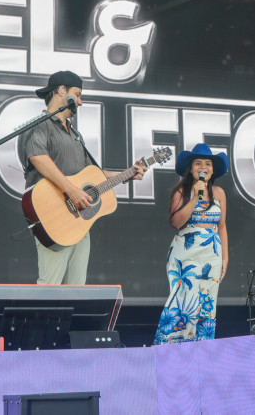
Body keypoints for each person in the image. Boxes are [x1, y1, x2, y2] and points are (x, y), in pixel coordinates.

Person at [19, 71, 146, 285]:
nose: (80, 102)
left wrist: (127, 174)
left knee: (76, 289)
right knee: (49, 286)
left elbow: (91, 173)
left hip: (78, 221)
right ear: (62, 91)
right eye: (77, 95)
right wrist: (72, 190)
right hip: (54, 217)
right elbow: (38, 158)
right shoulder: (40, 124)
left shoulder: (76, 135)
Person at [153, 143, 229, 344]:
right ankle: (172, 350)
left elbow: (222, 227)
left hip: (212, 255)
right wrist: (196, 197)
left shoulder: (219, 193)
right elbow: (176, 222)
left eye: (208, 163)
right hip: (185, 254)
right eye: (198, 163)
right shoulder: (181, 191)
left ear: (213, 169)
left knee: (206, 304)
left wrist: (225, 257)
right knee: (183, 301)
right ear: (191, 168)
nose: (203, 167)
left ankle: (202, 350)